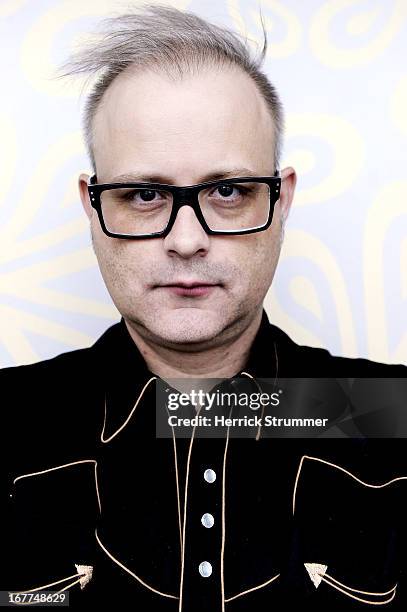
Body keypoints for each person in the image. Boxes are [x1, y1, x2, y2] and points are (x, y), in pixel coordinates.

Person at [1, 4, 406, 610]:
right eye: (143, 193)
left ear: (282, 199)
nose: (187, 240)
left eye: (227, 191)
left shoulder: (388, 417)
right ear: (92, 205)